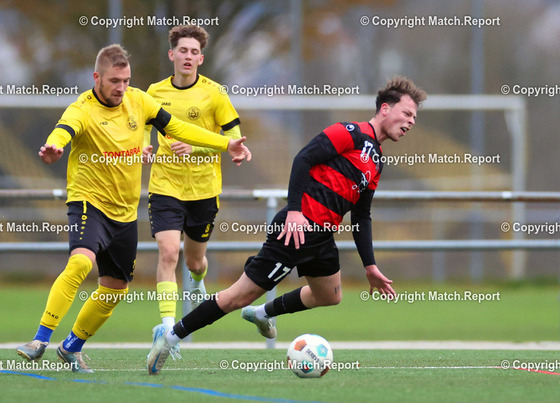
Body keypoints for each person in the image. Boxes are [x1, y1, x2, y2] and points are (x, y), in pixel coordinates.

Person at [148, 76, 426, 375]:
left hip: (322, 237)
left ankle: (261, 313)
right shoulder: (350, 132)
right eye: (407, 113)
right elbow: (303, 158)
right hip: (296, 230)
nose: (411, 122)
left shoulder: (376, 160)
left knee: (330, 295)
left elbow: (361, 215)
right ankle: (170, 337)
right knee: (238, 295)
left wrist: (370, 266)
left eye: (414, 117)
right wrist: (294, 211)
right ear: (385, 109)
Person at [15, 44, 250, 373]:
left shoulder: (139, 100)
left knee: (115, 288)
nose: (121, 87)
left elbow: (178, 127)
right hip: (89, 202)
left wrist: (226, 143)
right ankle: (40, 339)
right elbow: (63, 130)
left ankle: (71, 347)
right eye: (114, 81)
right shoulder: (82, 108)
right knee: (81, 261)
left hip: (125, 212)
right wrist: (55, 147)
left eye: (126, 80)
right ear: (97, 78)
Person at [144, 25, 242, 359]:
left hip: (203, 189)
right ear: (172, 54)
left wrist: (197, 148)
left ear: (201, 58)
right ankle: (166, 327)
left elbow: (233, 138)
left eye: (194, 52)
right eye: (182, 51)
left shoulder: (215, 93)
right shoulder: (154, 92)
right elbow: (141, 126)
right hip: (165, 185)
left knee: (195, 260)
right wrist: (143, 147)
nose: (188, 56)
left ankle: (198, 281)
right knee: (169, 252)